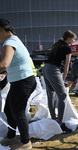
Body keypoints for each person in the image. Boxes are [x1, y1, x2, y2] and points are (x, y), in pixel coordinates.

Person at [0, 18, 36, 149]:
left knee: (17, 111)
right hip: (21, 81)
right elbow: (14, 64)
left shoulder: (9, 43)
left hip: (23, 81)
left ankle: (26, 142)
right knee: (8, 109)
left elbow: (4, 64)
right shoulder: (15, 40)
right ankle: (11, 137)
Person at [42, 30, 77, 126]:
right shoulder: (67, 48)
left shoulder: (57, 45)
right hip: (53, 69)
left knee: (51, 95)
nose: (74, 41)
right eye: (73, 39)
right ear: (69, 38)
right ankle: (60, 121)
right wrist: (64, 77)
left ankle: (54, 118)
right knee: (62, 95)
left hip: (45, 68)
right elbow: (67, 65)